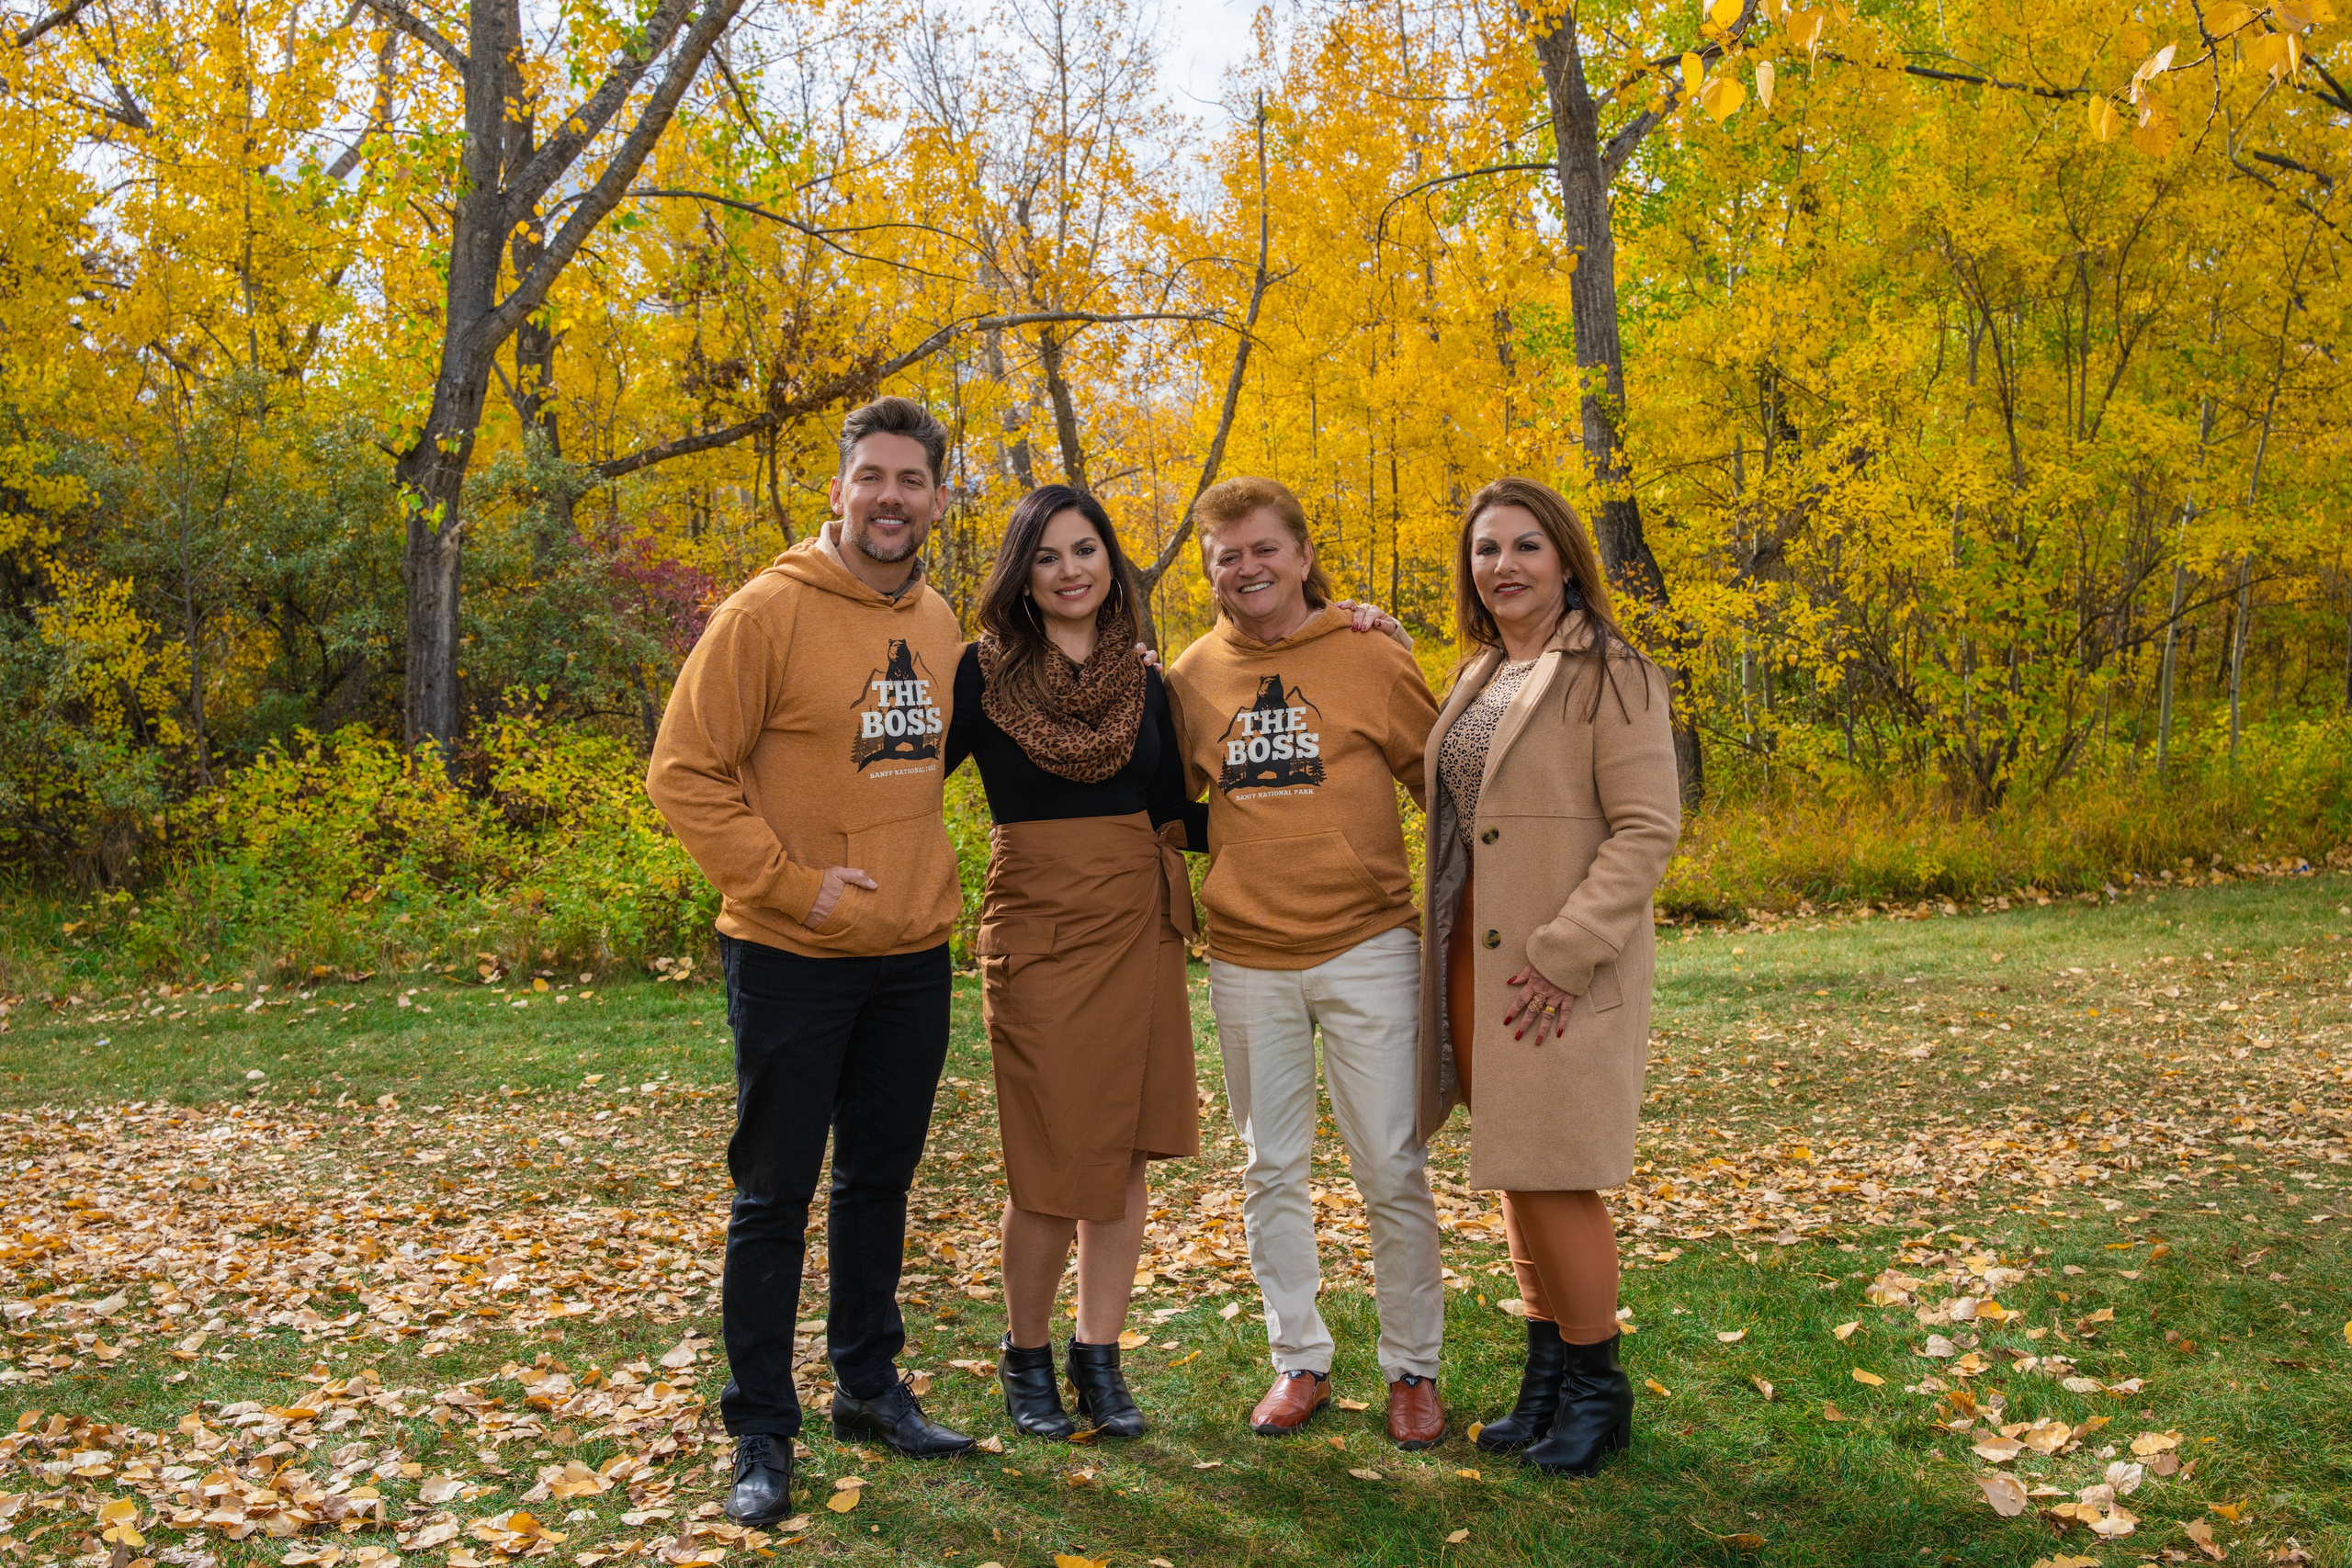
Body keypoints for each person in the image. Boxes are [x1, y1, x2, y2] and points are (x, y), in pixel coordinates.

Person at [645, 396, 977, 1528]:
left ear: (937, 497)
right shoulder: (764, 614)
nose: (890, 498)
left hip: (911, 956)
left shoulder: (938, 621)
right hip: (790, 954)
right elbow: (683, 772)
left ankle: (870, 1388)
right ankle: (759, 1429)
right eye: (871, 477)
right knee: (774, 1194)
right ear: (838, 489)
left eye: (911, 480)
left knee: (878, 1183)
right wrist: (791, 881)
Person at [1163, 475, 1450, 1450]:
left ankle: (1413, 1368)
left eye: (1262, 549)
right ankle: (1299, 1358)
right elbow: (1173, 809)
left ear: (1299, 552)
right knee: (1270, 1167)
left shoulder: (1367, 653)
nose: (1246, 569)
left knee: (1391, 1167)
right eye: (1226, 556)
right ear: (1210, 570)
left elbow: (1442, 783)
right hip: (1247, 955)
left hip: (1370, 943)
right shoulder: (1191, 677)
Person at [1417, 477, 1680, 1477]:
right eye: (1486, 549)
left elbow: (1647, 829)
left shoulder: (1613, 673)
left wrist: (1566, 952)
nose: (1504, 566)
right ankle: (1545, 1376)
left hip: (1556, 967)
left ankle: (1598, 1388)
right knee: (1516, 1169)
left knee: (1558, 1176)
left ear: (1566, 559)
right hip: (1470, 959)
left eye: (1526, 546)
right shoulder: (1480, 671)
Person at [941, 484, 1208, 1442]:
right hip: (1039, 930)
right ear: (1021, 574)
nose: (1069, 571)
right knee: (1050, 1162)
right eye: (1047, 556)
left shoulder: (1152, 681)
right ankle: (1025, 1356)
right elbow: (892, 776)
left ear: (1111, 562)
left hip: (1137, 922)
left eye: (1084, 550)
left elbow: (1192, 809)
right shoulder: (978, 676)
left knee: (1124, 1152)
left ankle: (1100, 1356)